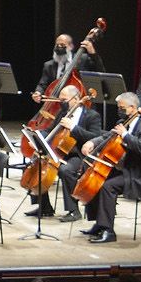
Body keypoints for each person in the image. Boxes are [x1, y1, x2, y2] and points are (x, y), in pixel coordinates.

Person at [80, 92, 141, 244]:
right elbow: (107, 137)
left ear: (132, 107)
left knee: (108, 187)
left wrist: (126, 135)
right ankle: (99, 224)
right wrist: (92, 142)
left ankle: (109, 231)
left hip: (136, 175)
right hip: (122, 169)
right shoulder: (124, 121)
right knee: (95, 180)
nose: (119, 110)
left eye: (122, 108)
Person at [27, 83, 101, 222]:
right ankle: (44, 206)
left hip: (78, 154)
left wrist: (73, 128)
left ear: (76, 99)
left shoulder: (92, 116)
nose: (62, 104)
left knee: (65, 170)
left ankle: (74, 211)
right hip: (59, 151)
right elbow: (51, 129)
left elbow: (95, 137)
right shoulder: (62, 113)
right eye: (60, 100)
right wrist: (38, 138)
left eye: (64, 100)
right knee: (36, 162)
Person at [32, 29, 98, 101]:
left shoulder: (82, 59)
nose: (59, 47)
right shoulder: (49, 65)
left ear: (71, 46)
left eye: (62, 45)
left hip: (77, 102)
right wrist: (38, 92)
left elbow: (99, 69)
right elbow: (42, 84)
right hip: (55, 104)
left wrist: (92, 53)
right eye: (57, 45)